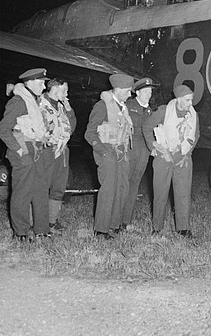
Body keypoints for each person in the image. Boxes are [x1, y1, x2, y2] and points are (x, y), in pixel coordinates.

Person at [0, 68, 51, 241]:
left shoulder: (35, 101)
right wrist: (19, 150)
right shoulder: (18, 101)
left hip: (35, 149)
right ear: (29, 83)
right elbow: (3, 129)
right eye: (41, 82)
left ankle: (42, 230)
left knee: (40, 190)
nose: (44, 86)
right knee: (23, 191)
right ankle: (20, 232)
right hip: (22, 150)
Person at [143, 84, 199, 237]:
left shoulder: (193, 115)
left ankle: (183, 228)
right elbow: (146, 127)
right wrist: (153, 146)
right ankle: (157, 228)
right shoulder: (163, 111)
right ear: (179, 99)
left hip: (183, 159)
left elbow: (196, 135)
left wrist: (187, 152)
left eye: (191, 100)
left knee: (183, 194)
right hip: (164, 157)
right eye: (187, 100)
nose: (190, 104)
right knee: (160, 193)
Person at [85, 73, 134, 240]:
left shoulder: (123, 107)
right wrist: (103, 152)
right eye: (127, 91)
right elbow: (89, 133)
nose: (130, 94)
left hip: (121, 152)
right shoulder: (101, 106)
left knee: (123, 188)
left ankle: (114, 225)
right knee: (108, 190)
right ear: (118, 89)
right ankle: (101, 229)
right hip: (107, 152)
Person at [39, 77, 76, 233]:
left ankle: (52, 221)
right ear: (54, 89)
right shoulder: (40, 104)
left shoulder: (61, 106)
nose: (67, 93)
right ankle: (38, 221)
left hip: (62, 151)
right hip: (47, 150)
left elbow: (71, 127)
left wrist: (68, 109)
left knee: (58, 186)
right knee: (42, 186)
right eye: (64, 90)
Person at [122, 77, 158, 231]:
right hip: (130, 148)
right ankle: (115, 220)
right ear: (137, 92)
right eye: (146, 91)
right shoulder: (128, 106)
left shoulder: (150, 110)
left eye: (150, 91)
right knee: (124, 183)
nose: (149, 94)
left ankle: (126, 220)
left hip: (144, 150)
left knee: (135, 184)